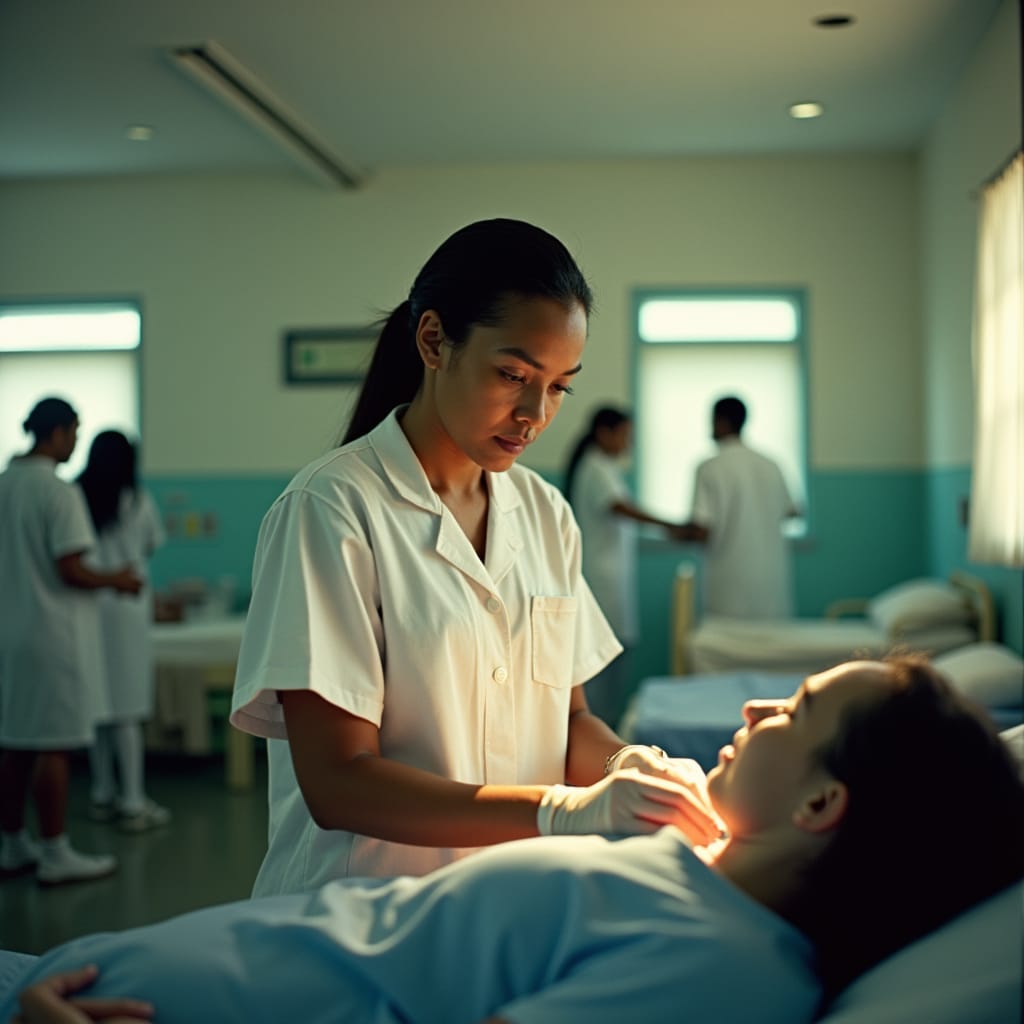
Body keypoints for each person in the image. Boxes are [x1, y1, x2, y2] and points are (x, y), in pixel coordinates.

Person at [3, 655, 1022, 1023]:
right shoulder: (690, 876)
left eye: (795, 707)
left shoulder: (721, 969)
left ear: (819, 807)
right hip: (100, 972)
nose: (755, 705)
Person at [230, 218, 719, 895]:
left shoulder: (545, 514)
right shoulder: (333, 507)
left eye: (559, 386)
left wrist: (628, 767)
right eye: (512, 374)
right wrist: (558, 810)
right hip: (357, 914)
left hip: (500, 906)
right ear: (434, 341)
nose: (534, 412)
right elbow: (339, 782)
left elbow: (570, 719)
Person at [0, 398, 142, 887]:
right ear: (57, 433)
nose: (76, 441)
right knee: (53, 745)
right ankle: (56, 850)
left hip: (10, 633)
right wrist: (118, 581)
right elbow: (71, 568)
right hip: (50, 633)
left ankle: (14, 842)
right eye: (74, 432)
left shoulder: (4, 485)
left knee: (16, 740)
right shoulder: (56, 492)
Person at [563, 405, 687, 726]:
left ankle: (603, 725)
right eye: (624, 436)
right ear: (605, 433)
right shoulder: (595, 468)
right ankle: (597, 728)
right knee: (602, 664)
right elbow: (621, 508)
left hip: (610, 578)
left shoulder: (604, 466)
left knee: (611, 658)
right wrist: (670, 525)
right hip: (601, 581)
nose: (628, 444)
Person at [76, 431, 170, 834]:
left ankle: (102, 795)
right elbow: (150, 546)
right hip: (129, 607)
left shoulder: (77, 498)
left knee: (99, 706)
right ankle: (133, 801)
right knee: (128, 710)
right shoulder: (138, 501)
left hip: (91, 606)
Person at [679, 395, 799, 619]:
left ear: (721, 421)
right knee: (773, 649)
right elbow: (793, 511)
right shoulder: (771, 464)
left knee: (728, 648)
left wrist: (675, 531)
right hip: (771, 584)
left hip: (728, 586)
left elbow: (701, 529)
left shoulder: (709, 467)